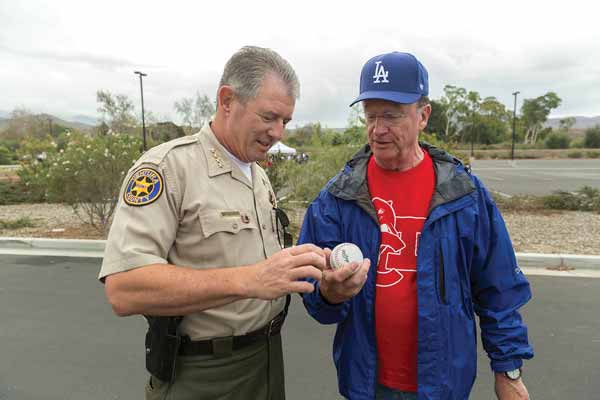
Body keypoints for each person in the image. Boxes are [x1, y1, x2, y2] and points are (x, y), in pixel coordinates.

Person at [298, 52, 533, 400]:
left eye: (391, 116)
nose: (378, 129)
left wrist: (509, 371)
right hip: (367, 385)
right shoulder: (338, 198)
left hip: (443, 386)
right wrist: (330, 294)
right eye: (371, 115)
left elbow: (498, 289)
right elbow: (316, 298)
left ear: (423, 115)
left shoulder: (463, 194)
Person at [99, 46, 326, 400]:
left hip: (266, 362)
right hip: (202, 375)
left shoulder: (257, 174)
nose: (279, 132)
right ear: (227, 100)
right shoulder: (169, 169)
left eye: (286, 121)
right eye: (269, 117)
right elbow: (124, 288)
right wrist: (250, 279)